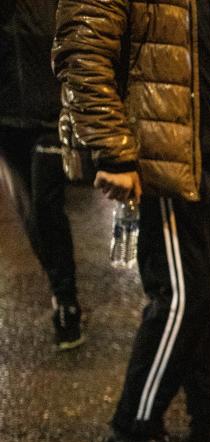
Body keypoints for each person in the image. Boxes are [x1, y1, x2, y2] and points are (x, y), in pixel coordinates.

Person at [52, 0, 210, 442]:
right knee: (181, 295)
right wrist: (114, 152)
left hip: (191, 148)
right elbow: (84, 53)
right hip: (155, 154)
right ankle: (134, 424)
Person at [1, 0, 82, 349]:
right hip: (6, 120)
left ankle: (67, 303)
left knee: (47, 206)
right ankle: (58, 285)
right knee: (31, 212)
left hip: (51, 116)